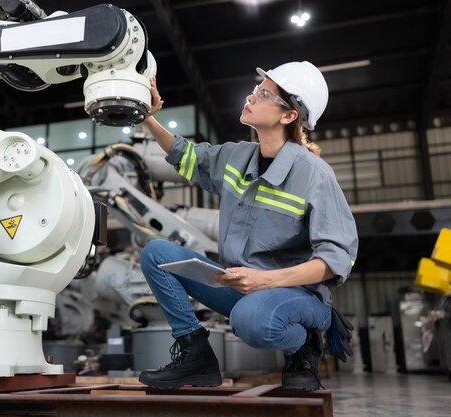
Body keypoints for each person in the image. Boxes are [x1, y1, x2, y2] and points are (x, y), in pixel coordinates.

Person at [137, 61, 358, 391]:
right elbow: (187, 156)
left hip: (296, 294)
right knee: (156, 254)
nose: (252, 97)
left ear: (289, 115)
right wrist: (147, 117)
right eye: (256, 89)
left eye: (265, 93)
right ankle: (196, 354)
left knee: (250, 320)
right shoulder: (235, 157)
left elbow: (335, 260)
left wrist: (264, 280)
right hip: (242, 284)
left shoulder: (315, 175)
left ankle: (305, 344)